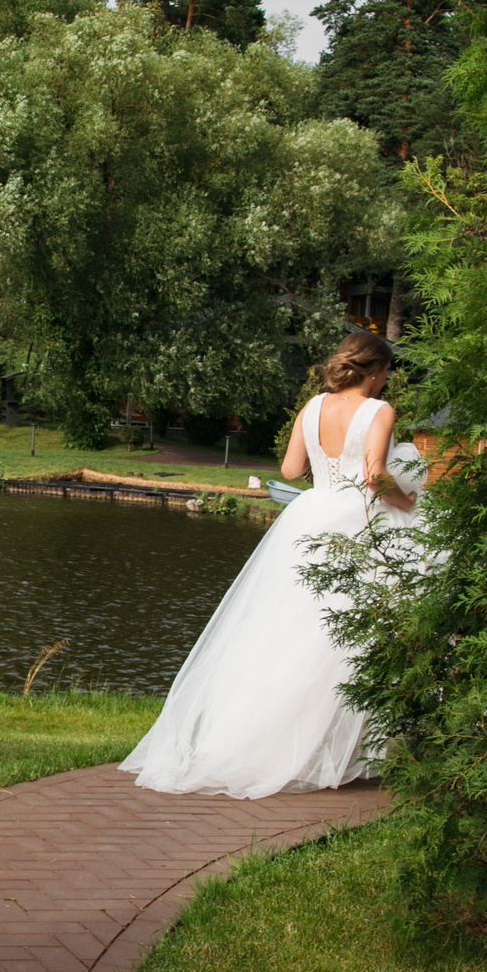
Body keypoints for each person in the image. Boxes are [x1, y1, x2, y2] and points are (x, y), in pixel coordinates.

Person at [120, 329, 414, 799]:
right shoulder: (380, 410)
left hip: (310, 519)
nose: (385, 382)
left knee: (290, 631)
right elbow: (376, 474)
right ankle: (346, 750)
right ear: (376, 370)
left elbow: (291, 470)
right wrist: (406, 499)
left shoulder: (313, 406)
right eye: (386, 373)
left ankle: (268, 742)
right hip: (357, 521)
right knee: (356, 633)